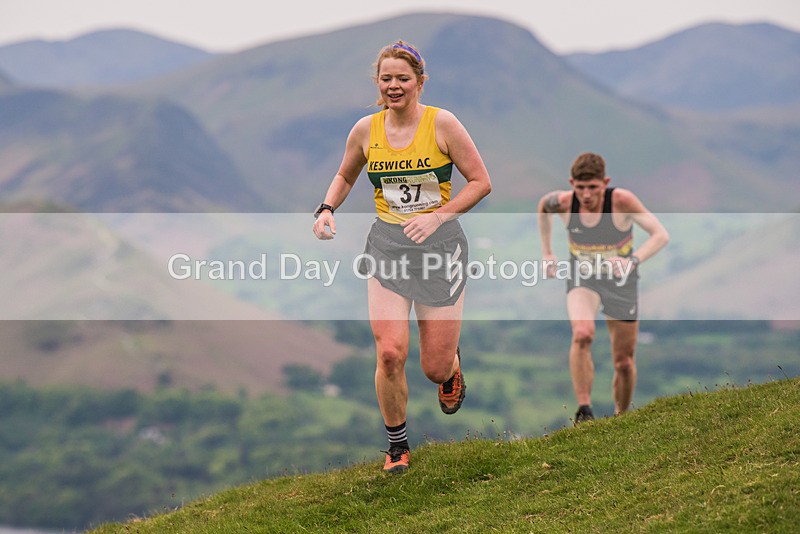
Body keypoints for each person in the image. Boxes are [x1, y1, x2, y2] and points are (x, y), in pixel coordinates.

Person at [312, 41, 491, 473]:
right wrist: (326, 208)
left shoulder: (442, 124)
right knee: (390, 353)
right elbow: (345, 173)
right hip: (388, 247)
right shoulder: (364, 130)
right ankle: (397, 447)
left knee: (431, 368)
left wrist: (436, 217)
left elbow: (480, 182)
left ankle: (450, 365)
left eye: (403, 79)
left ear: (420, 83)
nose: (394, 86)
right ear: (378, 82)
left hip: (440, 248)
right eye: (386, 78)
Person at [538, 152, 668, 424]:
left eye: (593, 188)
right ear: (571, 183)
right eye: (580, 187)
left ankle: (621, 418)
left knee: (624, 361)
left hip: (621, 282)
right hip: (582, 278)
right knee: (582, 334)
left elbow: (660, 235)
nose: (586, 194)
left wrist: (632, 261)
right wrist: (547, 253)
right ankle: (584, 410)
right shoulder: (563, 202)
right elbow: (543, 206)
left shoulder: (622, 201)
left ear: (605, 183)